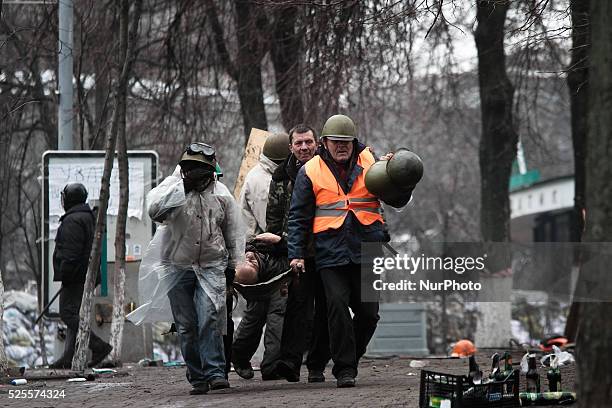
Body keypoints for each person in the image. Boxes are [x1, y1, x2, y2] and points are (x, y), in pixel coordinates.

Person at [287, 115, 387, 388]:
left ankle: (349, 358)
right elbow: (297, 217)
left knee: (369, 314)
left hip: (367, 249)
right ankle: (345, 369)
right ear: (324, 143)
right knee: (336, 308)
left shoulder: (371, 162)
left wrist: (395, 171)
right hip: (329, 252)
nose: (342, 147)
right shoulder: (310, 171)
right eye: (336, 142)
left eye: (347, 142)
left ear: (354, 142)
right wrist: (295, 253)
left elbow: (394, 197)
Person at [147, 142, 244, 395]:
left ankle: (214, 373)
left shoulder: (222, 195)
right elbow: (154, 211)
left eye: (201, 169)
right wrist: (184, 187)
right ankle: (197, 376)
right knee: (186, 325)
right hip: (177, 267)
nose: (196, 174)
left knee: (209, 319)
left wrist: (232, 268)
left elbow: (233, 235)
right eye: (191, 169)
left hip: (212, 265)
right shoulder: (172, 188)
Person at [266, 124, 331, 383]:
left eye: (308, 142)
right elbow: (274, 218)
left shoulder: (327, 171)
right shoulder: (281, 176)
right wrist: (278, 251)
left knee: (325, 309)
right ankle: (290, 363)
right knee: (297, 307)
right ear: (291, 147)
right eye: (299, 143)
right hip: (295, 252)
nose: (304, 147)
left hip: (326, 251)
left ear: (317, 144)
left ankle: (316, 365)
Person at [232, 132, 290, 380]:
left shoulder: (257, 174)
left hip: (256, 251)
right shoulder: (264, 182)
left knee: (257, 309)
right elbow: (271, 222)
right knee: (276, 309)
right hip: (267, 250)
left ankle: (240, 355)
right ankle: (269, 365)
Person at [50, 183, 112, 369]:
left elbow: (71, 253)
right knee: (74, 315)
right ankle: (68, 357)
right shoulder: (86, 216)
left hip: (76, 275)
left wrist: (67, 275)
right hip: (84, 274)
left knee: (68, 314)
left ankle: (99, 346)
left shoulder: (73, 220)